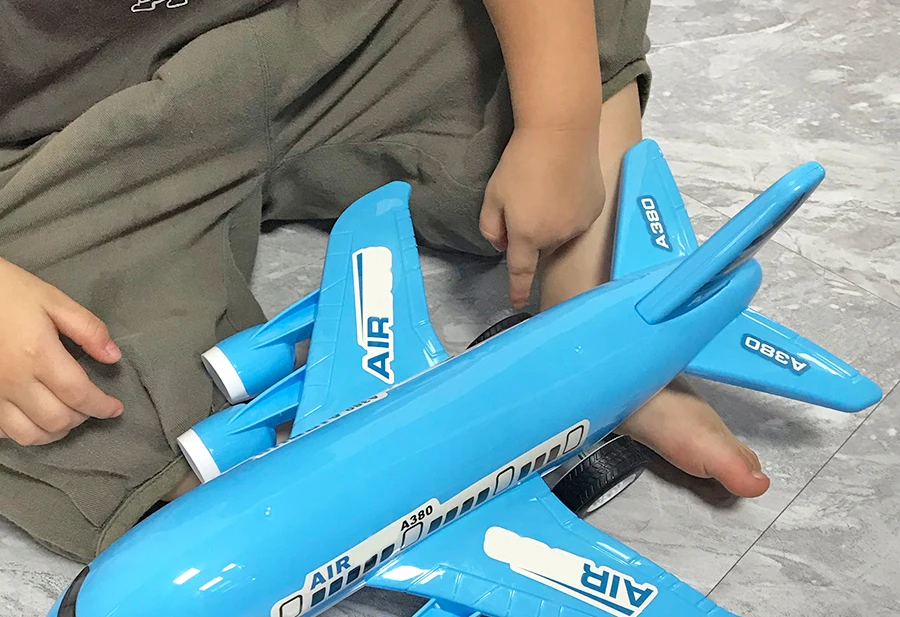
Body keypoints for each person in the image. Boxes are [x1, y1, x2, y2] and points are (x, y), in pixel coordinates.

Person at [0, 0, 768, 563]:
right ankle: (278, 514)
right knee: (64, 390)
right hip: (68, 146)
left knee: (570, 33)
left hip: (323, 39)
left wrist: (556, 125)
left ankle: (597, 300)